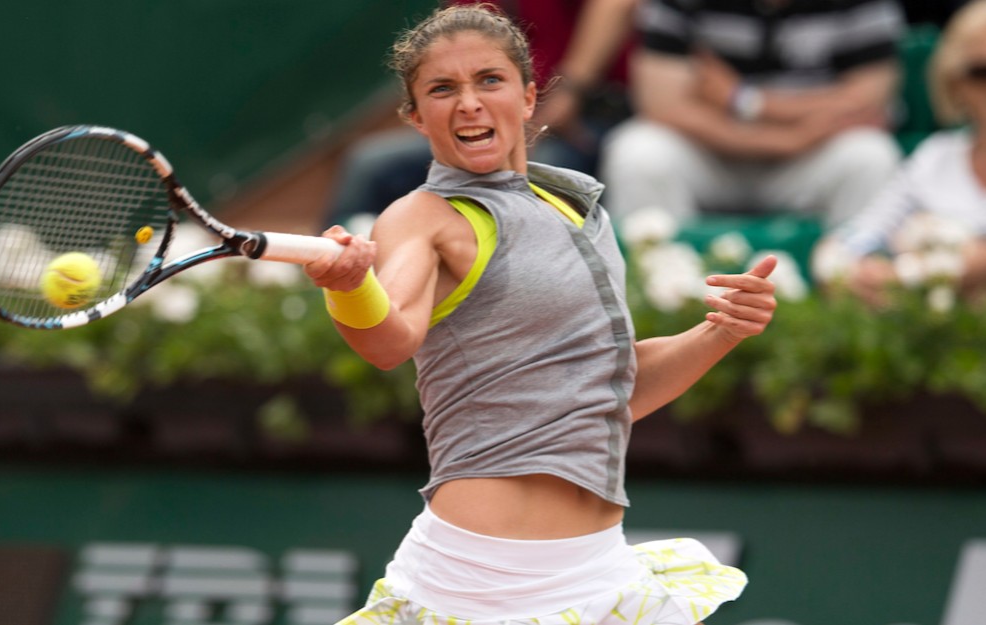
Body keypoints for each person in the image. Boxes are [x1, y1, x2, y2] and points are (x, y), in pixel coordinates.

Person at [305, 5, 777, 625]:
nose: (468, 103)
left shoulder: (581, 210)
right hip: (476, 584)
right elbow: (389, 340)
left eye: (489, 81)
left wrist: (721, 330)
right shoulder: (422, 216)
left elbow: (606, 389)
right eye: (442, 89)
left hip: (599, 571)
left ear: (529, 98)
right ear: (416, 117)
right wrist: (348, 288)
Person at [818, 0, 986, 302]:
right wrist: (845, 266)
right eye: (983, 72)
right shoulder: (936, 154)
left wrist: (905, 277)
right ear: (956, 82)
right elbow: (862, 231)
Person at [325, 0, 638, 227]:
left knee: (538, 176)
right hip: (492, 123)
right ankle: (323, 283)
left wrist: (571, 91)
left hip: (587, 119)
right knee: (369, 163)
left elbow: (616, 5)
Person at [599, 0, 906, 228]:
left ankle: (850, 296)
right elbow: (663, 104)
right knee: (638, 151)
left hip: (809, 157)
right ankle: (659, 300)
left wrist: (743, 99)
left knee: (871, 156)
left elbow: (865, 101)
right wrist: (787, 137)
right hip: (709, 154)